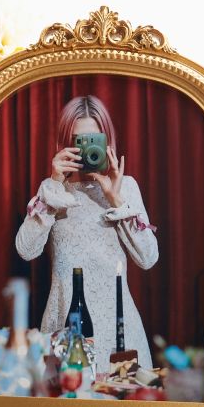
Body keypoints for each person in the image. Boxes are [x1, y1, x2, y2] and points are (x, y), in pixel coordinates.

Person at [15, 94, 159, 372]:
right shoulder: (53, 191)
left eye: (94, 140)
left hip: (119, 334)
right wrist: (54, 185)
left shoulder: (126, 187)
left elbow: (148, 258)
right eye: (78, 141)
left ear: (108, 141)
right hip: (63, 328)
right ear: (64, 144)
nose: (87, 149)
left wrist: (116, 199)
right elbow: (26, 250)